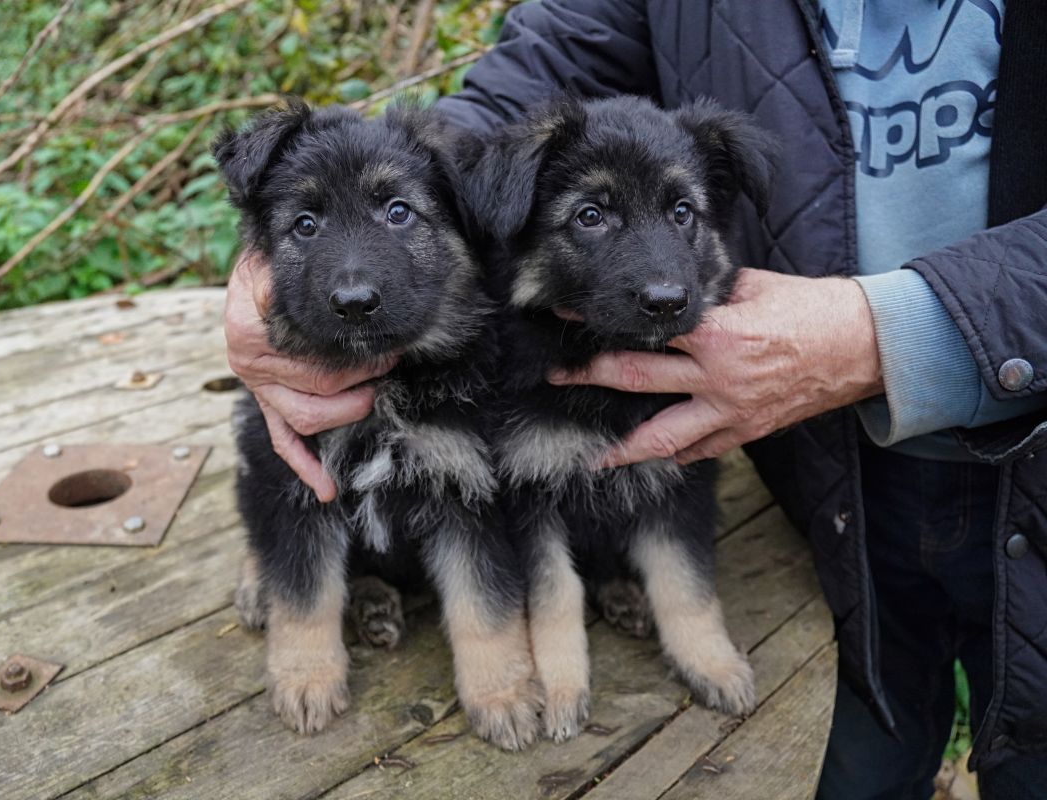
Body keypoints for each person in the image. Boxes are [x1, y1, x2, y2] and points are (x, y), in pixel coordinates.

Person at [223, 1, 1047, 796]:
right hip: (826, 490)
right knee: (865, 752)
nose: (659, 272)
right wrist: (290, 257)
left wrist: (885, 332)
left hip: (1029, 463)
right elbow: (506, 108)